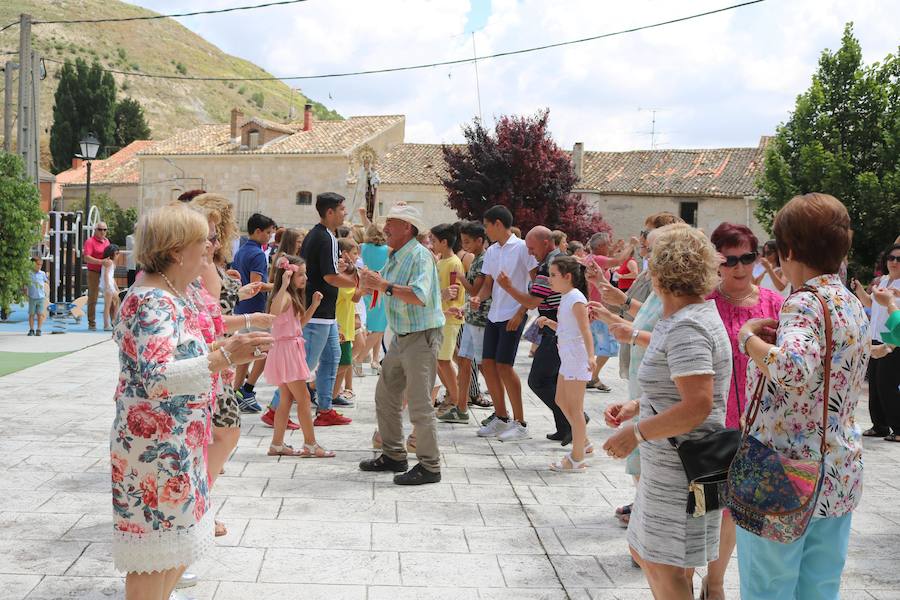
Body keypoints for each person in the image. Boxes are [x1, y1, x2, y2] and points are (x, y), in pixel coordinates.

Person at [111, 206, 272, 600]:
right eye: (203, 243)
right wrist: (223, 357)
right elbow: (155, 377)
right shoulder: (152, 301)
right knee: (154, 559)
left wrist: (231, 347)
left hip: (177, 448)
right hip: (155, 455)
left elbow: (182, 355)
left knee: (174, 551)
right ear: (177, 250)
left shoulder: (170, 293)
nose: (210, 251)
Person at [735, 193, 870, 600]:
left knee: (768, 587)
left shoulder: (804, 303)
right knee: (820, 587)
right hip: (839, 470)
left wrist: (747, 340)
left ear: (789, 250)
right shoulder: (850, 302)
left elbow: (793, 369)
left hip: (781, 470)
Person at [602, 224, 731, 600]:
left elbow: (698, 405)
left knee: (665, 567)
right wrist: (636, 405)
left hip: (681, 469)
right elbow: (680, 390)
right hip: (669, 466)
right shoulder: (681, 320)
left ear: (659, 273)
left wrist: (636, 433)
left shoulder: (687, 326)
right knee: (652, 557)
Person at [701, 222, 784, 600]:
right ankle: (703, 578)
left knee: (743, 510)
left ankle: (715, 582)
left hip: (765, 424)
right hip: (715, 422)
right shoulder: (704, 305)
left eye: (746, 257)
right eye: (729, 259)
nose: (738, 266)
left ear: (758, 258)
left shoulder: (775, 304)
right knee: (711, 509)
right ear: (716, 261)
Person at [359, 202, 445, 485]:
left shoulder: (420, 257)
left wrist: (382, 285)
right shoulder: (396, 255)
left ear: (407, 228)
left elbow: (419, 295)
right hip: (402, 335)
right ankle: (394, 455)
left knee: (420, 404)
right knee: (386, 395)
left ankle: (430, 467)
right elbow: (382, 284)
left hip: (420, 336)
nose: (385, 229)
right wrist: (362, 278)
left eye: (391, 224)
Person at [471, 205, 538, 442]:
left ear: (497, 224)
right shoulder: (491, 251)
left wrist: (522, 311)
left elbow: (535, 285)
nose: (486, 230)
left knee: (505, 367)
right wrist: (479, 297)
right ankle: (501, 417)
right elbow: (489, 284)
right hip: (494, 314)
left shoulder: (522, 249)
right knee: (487, 365)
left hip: (513, 314)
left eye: (487, 225)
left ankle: (521, 423)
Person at [300, 192, 360, 426]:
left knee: (332, 357)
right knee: (305, 365)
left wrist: (342, 266)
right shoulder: (326, 238)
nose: (345, 213)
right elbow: (330, 277)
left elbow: (326, 268)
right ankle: (276, 407)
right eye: (342, 209)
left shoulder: (323, 235)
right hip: (318, 311)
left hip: (325, 312)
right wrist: (358, 282)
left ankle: (324, 409)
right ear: (330, 212)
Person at [264, 255, 333, 457]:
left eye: (305, 274)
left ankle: (277, 444)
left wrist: (314, 305)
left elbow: (299, 324)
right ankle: (310, 444)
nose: (305, 278)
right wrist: (284, 285)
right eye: (301, 274)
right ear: (289, 275)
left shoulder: (291, 297)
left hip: (287, 348)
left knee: (286, 397)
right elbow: (273, 313)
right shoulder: (284, 296)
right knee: (303, 398)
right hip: (287, 351)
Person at [536, 255, 595, 471]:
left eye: (553, 275)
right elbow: (566, 328)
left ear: (567, 276)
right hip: (568, 356)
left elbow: (585, 329)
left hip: (576, 357)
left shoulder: (576, 298)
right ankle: (584, 441)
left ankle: (576, 458)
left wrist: (590, 356)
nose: (549, 280)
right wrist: (549, 322)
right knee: (561, 400)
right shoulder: (567, 297)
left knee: (575, 409)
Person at [441, 221, 491, 424]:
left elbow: (475, 291)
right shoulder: (477, 258)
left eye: (468, 241)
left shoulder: (483, 260)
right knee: (463, 361)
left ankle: (501, 411)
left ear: (480, 240)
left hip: (481, 320)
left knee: (484, 366)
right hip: (470, 317)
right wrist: (464, 308)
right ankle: (461, 407)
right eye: (463, 241)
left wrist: (460, 277)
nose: (465, 245)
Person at [853, 242, 900, 440]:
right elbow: (871, 305)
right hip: (876, 338)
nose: (895, 262)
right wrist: (859, 291)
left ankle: (898, 428)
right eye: (892, 258)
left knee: (887, 384)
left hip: (894, 339)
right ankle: (879, 425)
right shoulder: (883, 281)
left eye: (899, 259)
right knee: (874, 384)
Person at [232, 212, 277, 412]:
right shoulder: (258, 254)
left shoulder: (241, 251)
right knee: (263, 351)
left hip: (242, 308)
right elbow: (255, 284)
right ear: (257, 232)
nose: (270, 236)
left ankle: (236, 392)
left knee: (245, 353)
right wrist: (278, 286)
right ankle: (248, 389)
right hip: (255, 309)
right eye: (267, 233)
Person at [585, 232, 636, 391]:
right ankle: (592, 377)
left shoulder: (591, 259)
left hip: (594, 309)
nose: (610, 246)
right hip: (598, 311)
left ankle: (591, 377)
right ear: (600, 247)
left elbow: (613, 256)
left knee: (593, 346)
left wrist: (618, 247)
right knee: (609, 346)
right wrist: (631, 244)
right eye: (608, 244)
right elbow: (619, 260)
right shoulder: (597, 259)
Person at [430, 223, 466, 417]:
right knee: (441, 360)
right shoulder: (441, 261)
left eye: (434, 241)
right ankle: (453, 395)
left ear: (444, 242)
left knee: (443, 361)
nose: (431, 244)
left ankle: (455, 399)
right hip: (441, 317)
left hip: (449, 317)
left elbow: (453, 292)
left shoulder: (453, 263)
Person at [333, 238, 365, 404]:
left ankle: (334, 393)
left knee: (344, 361)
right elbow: (354, 296)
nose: (356, 256)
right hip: (341, 325)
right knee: (344, 362)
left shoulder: (347, 272)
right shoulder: (344, 275)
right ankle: (317, 386)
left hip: (345, 323)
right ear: (345, 254)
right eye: (354, 253)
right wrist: (365, 287)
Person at [359, 224, 390, 373]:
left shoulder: (362, 247)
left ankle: (375, 359)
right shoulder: (388, 250)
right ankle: (359, 358)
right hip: (380, 291)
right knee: (379, 327)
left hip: (366, 289)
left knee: (376, 327)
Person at [83, 221, 111, 330]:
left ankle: (111, 322)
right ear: (95, 230)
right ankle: (92, 323)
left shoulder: (107, 241)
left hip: (105, 272)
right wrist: (101, 262)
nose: (102, 232)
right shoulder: (90, 242)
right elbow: (86, 258)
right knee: (93, 297)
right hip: (94, 272)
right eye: (100, 229)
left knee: (111, 296)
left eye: (105, 229)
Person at [25, 257, 49, 336]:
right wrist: (25, 291)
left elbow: (46, 281)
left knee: (40, 314)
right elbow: (25, 284)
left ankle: (39, 329)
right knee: (31, 314)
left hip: (41, 297)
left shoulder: (42, 274)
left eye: (40, 265)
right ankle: (31, 329)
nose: (39, 266)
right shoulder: (28, 273)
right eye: (37, 264)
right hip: (32, 297)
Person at [100, 244, 121, 331]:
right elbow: (106, 275)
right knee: (107, 306)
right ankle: (107, 324)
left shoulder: (111, 263)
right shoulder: (109, 262)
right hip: (108, 286)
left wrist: (116, 288)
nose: (118, 255)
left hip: (110, 285)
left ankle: (113, 320)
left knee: (117, 301)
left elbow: (111, 277)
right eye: (116, 253)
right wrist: (108, 286)